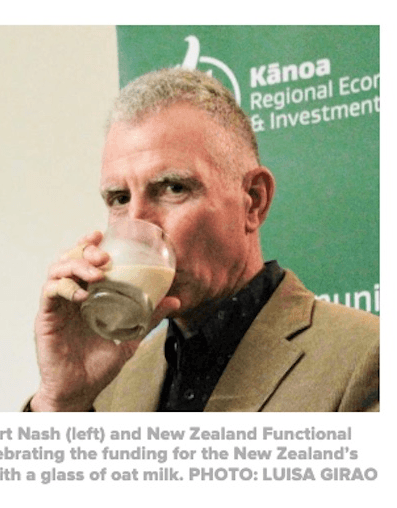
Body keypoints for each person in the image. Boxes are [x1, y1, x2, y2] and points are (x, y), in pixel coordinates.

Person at [29, 68, 378, 412]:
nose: (137, 225)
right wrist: (60, 402)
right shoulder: (110, 378)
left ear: (253, 201)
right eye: (120, 198)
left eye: (173, 188)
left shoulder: (368, 356)